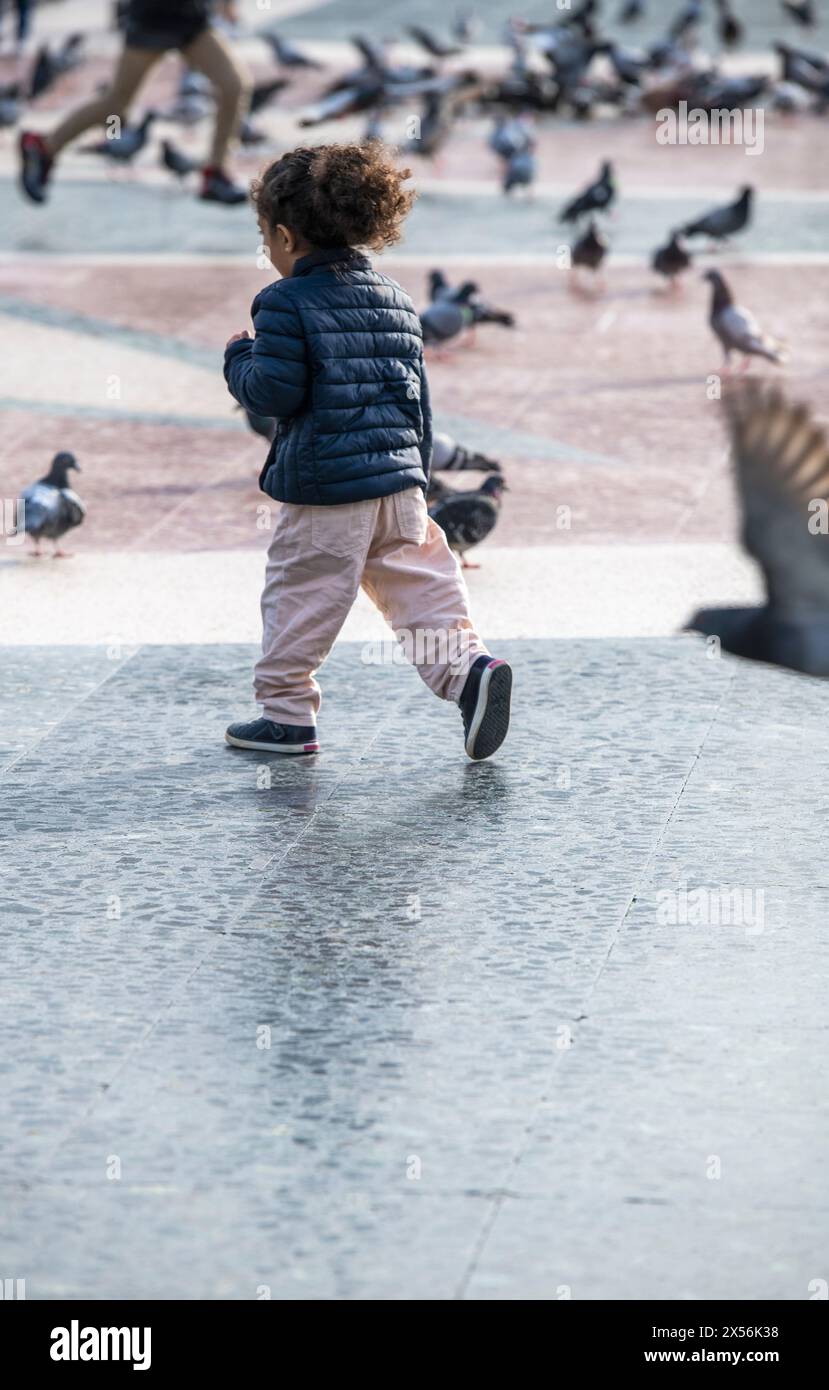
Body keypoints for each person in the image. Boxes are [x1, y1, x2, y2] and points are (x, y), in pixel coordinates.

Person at [222, 142, 512, 761]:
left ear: (283, 236)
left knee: (301, 592)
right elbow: (419, 404)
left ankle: (286, 716)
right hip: (401, 482)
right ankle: (469, 675)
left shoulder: (283, 302)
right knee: (420, 589)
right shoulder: (397, 301)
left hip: (329, 488)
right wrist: (419, 476)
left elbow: (274, 392)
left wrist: (238, 358)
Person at [19, 0, 249, 205]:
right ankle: (44, 147)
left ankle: (216, 173)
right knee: (116, 105)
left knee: (234, 85)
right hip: (152, 21)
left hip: (192, 22)